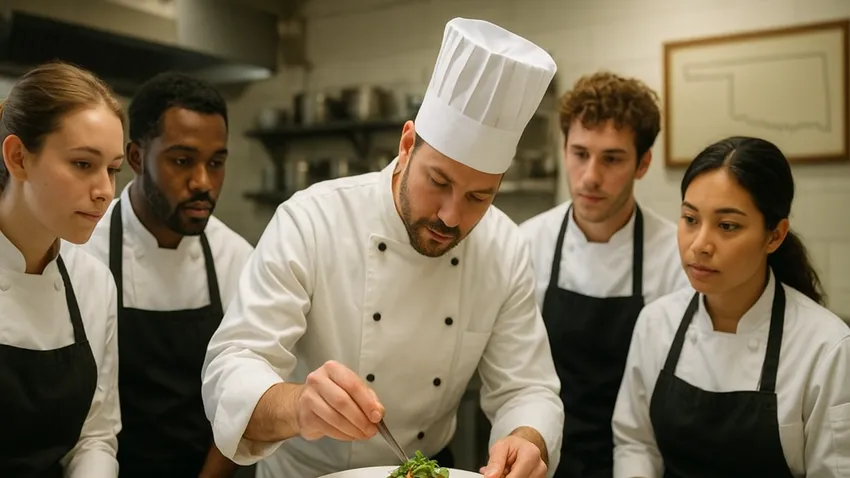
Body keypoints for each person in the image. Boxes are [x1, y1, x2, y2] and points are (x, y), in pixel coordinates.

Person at [201, 17, 564, 478]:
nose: (451, 216)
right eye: (439, 181)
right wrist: (299, 405)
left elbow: (526, 387)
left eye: (479, 197)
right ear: (407, 143)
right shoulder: (312, 220)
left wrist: (526, 438)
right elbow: (232, 366)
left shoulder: (503, 246)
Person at [612, 136, 850, 478]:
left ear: (775, 236)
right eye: (690, 219)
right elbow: (636, 443)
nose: (700, 245)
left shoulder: (826, 348)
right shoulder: (656, 323)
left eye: (727, 226)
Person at [79, 72, 254, 478]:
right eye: (182, 161)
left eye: (216, 163)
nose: (203, 183)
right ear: (137, 158)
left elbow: (239, 404)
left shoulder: (236, 258)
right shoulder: (86, 252)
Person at [519, 71, 689, 478]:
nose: (591, 176)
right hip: (544, 457)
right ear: (563, 149)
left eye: (611, 158)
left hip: (641, 462)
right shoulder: (527, 244)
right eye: (579, 153)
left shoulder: (675, 257)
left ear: (643, 163)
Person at [0, 61, 124, 477]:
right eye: (83, 164)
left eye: (113, 169)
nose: (105, 191)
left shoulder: (93, 283)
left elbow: (95, 434)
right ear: (18, 158)